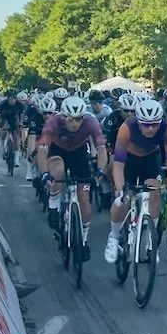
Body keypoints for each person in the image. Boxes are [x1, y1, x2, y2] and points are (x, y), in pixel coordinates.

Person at [105, 98, 167, 263]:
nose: (151, 128)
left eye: (154, 124)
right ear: (138, 122)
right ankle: (114, 236)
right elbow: (118, 164)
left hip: (151, 160)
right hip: (128, 161)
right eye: (146, 124)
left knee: (155, 192)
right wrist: (120, 189)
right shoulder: (127, 128)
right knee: (123, 199)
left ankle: (150, 241)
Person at [37, 96, 108, 251]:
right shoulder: (53, 122)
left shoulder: (91, 122)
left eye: (78, 119)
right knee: (58, 170)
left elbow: (101, 148)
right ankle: (53, 207)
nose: (75, 123)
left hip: (78, 153)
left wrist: (101, 169)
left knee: (84, 197)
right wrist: (44, 173)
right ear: (63, 117)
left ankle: (83, 240)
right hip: (57, 150)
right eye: (70, 119)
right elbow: (42, 150)